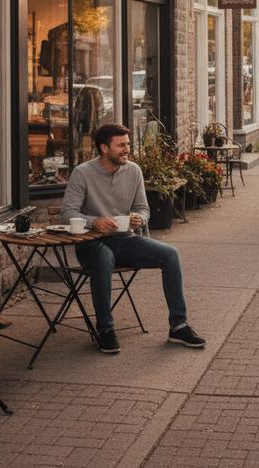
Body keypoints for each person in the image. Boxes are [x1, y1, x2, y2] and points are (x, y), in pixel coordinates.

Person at [61, 123, 206, 354]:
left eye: (127, 144)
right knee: (103, 257)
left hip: (125, 239)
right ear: (104, 148)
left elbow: (143, 208)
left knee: (170, 255)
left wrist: (140, 218)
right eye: (120, 145)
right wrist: (94, 221)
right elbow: (68, 213)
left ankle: (178, 326)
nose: (126, 149)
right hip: (91, 242)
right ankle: (105, 329)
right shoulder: (83, 173)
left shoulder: (133, 171)